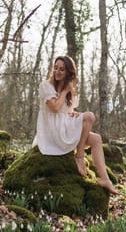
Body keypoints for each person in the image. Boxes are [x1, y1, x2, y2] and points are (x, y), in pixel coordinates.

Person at [33, 55, 120, 195]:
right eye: (55, 68)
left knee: (97, 139)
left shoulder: (70, 91)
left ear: (68, 72)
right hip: (52, 132)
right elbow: (54, 108)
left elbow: (66, 110)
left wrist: (73, 113)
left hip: (64, 127)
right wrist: (65, 91)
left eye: (62, 69)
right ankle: (79, 155)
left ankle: (105, 179)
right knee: (90, 116)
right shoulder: (46, 86)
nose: (57, 72)